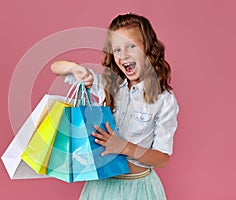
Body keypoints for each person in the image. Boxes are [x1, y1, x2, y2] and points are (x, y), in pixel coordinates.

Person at [51, 13, 179, 200]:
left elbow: (162, 158)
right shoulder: (109, 85)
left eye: (131, 46)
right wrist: (75, 69)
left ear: (148, 48)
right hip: (101, 188)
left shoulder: (163, 99)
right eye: (117, 49)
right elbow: (55, 67)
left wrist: (123, 147)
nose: (123, 55)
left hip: (139, 189)